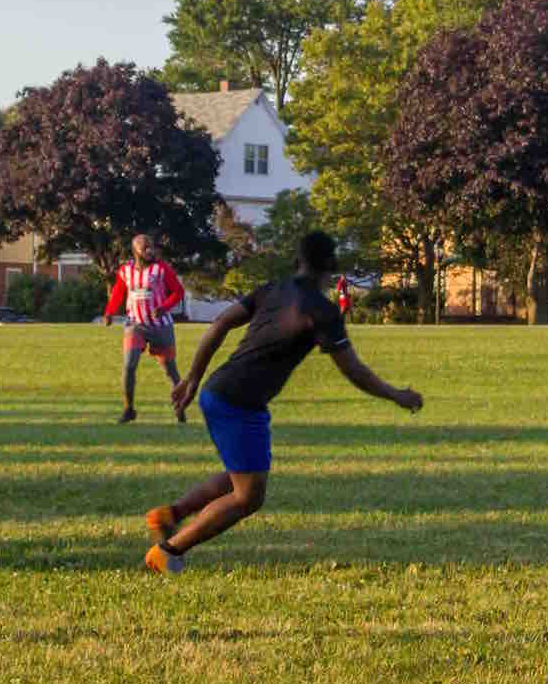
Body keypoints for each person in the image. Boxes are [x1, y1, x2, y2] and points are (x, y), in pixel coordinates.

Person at [144, 231, 423, 574]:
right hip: (238, 402)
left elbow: (220, 323)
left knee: (243, 476)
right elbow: (354, 371)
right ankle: (168, 551)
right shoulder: (321, 312)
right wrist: (397, 395)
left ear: (300, 260)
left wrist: (193, 378)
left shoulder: (274, 289)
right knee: (248, 496)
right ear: (330, 267)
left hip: (222, 392)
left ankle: (169, 515)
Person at [103, 232, 186, 424]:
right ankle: (129, 409)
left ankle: (180, 407)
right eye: (145, 248)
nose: (150, 251)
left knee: (171, 371)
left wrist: (164, 307)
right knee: (129, 365)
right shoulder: (125, 271)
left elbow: (178, 292)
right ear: (136, 251)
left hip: (160, 326)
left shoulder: (162, 269)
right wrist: (109, 312)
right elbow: (118, 292)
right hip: (135, 325)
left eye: (151, 247)